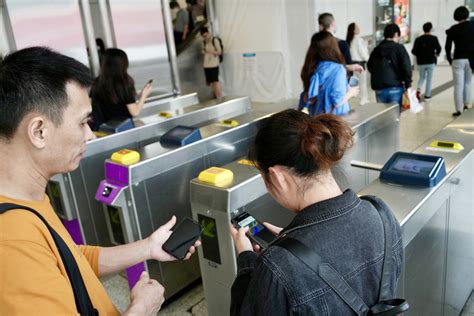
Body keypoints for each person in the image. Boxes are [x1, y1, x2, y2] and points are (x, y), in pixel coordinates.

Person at [0, 47, 200, 315]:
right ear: (39, 131)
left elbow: (71, 259)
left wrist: (148, 248)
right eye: (83, 122)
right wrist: (142, 308)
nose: (90, 135)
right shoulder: (11, 243)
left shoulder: (28, 200)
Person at [230, 109, 403, 315]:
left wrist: (248, 261)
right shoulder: (381, 214)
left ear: (278, 177)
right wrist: (292, 242)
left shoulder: (276, 266)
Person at [298, 31, 359, 116]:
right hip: (334, 120)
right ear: (333, 47)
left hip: (314, 117)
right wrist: (351, 93)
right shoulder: (338, 69)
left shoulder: (310, 66)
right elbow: (337, 102)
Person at [90, 48, 152, 130]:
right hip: (121, 127)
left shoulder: (97, 82)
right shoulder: (125, 83)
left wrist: (138, 96)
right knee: (141, 124)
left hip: (102, 128)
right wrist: (144, 95)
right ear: (124, 64)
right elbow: (135, 112)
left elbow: (90, 105)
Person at [368, 23, 412, 108]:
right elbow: (407, 67)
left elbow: (370, 66)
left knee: (383, 115)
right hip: (395, 87)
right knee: (394, 117)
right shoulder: (399, 48)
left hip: (379, 88)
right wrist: (408, 84)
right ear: (396, 34)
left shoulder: (376, 50)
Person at [445, 6, 474, 116]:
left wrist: (449, 59)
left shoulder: (453, 29)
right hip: (471, 59)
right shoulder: (472, 26)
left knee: (458, 85)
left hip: (458, 59)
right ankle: (467, 105)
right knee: (468, 82)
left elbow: (447, 47)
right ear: (467, 15)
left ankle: (459, 110)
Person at [411, 22, 441, 101]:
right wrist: (436, 54)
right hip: (431, 61)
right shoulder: (434, 38)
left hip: (421, 62)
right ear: (430, 29)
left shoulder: (418, 39)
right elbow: (439, 48)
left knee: (421, 77)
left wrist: (420, 55)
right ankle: (427, 96)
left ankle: (418, 90)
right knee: (429, 79)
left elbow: (413, 51)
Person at [346, 22, 370, 104]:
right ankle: (364, 99)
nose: (359, 28)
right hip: (360, 64)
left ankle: (355, 97)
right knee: (363, 83)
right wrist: (368, 59)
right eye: (357, 27)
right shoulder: (359, 40)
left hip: (352, 65)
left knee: (354, 82)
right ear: (353, 30)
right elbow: (363, 53)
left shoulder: (349, 41)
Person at [201, 27, 223, 98]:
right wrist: (204, 51)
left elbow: (220, 52)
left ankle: (219, 97)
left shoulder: (214, 40)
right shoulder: (204, 42)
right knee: (210, 83)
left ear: (208, 33)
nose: (205, 37)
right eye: (203, 36)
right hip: (206, 65)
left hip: (214, 64)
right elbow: (202, 51)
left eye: (206, 35)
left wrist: (211, 52)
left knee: (215, 81)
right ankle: (216, 96)